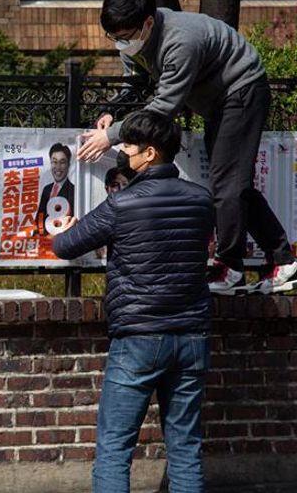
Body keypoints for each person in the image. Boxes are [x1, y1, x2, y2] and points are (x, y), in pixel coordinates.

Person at [76, 0, 297, 296]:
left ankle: (230, 267)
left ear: (148, 23)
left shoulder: (181, 40)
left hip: (242, 91)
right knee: (234, 184)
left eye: (125, 37)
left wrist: (112, 137)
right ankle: (283, 262)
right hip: (218, 102)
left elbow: (162, 108)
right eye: (114, 38)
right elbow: (136, 83)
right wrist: (112, 111)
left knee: (227, 186)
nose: (121, 44)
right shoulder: (136, 40)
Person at [53, 111, 214, 493]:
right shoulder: (202, 199)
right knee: (186, 448)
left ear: (151, 153)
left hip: (138, 338)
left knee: (114, 448)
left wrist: (67, 228)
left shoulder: (123, 204)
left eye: (129, 147)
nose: (124, 152)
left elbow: (66, 246)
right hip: (192, 337)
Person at [37, 143, 75, 235]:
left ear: (68, 165)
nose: (58, 167)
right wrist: (37, 233)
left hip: (61, 240)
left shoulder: (73, 190)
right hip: (43, 242)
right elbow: (40, 214)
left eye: (62, 162)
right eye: (54, 162)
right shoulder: (47, 188)